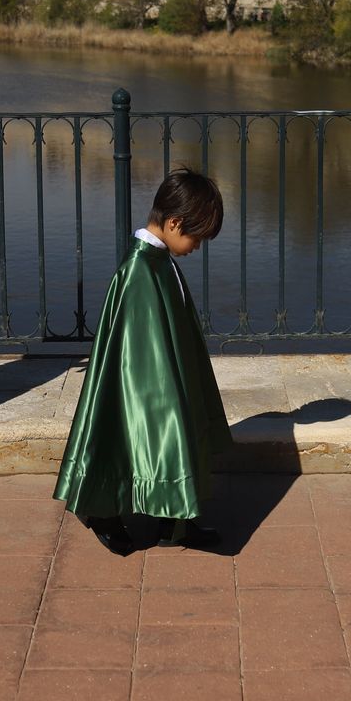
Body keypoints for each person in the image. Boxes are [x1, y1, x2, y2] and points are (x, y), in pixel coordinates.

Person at [54, 168, 232, 553]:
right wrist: (166, 390)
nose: (197, 247)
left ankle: (175, 519)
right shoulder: (139, 269)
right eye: (197, 237)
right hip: (146, 381)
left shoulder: (159, 261)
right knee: (139, 434)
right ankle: (105, 511)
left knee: (177, 434)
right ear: (174, 223)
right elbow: (137, 349)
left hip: (168, 372)